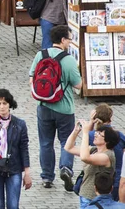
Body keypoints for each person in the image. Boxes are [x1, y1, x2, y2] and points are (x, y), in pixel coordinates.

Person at [29, 24, 82, 189]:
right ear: (63, 39)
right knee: (66, 140)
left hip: (43, 106)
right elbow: (78, 85)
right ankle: (66, 168)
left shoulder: (40, 55)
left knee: (45, 142)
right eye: (69, 39)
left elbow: (31, 79)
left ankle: (46, 177)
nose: (70, 43)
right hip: (64, 109)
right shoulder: (68, 60)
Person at [65, 116, 118, 207]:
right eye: (97, 132)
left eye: (100, 134)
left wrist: (85, 133)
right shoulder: (94, 150)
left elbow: (85, 158)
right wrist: (76, 131)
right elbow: (68, 148)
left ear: (107, 141)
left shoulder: (108, 156)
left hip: (95, 198)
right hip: (84, 195)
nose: (95, 134)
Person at [89, 104, 125, 202]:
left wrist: (90, 123)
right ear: (110, 118)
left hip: (100, 181)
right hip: (117, 178)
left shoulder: (95, 135)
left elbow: (86, 140)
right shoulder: (120, 135)